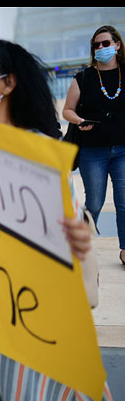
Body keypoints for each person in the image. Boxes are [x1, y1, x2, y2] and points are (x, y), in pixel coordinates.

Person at [0, 38, 123, 401]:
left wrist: (75, 240)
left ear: (8, 83)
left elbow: (62, 232)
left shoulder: (38, 151)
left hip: (30, 313)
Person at [63, 25, 125, 267]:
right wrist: (79, 121)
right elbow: (67, 110)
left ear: (117, 45)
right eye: (96, 45)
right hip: (92, 151)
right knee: (95, 203)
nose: (100, 48)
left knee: (123, 202)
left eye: (105, 44)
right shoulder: (84, 77)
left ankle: (124, 251)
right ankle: (79, 250)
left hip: (122, 149)